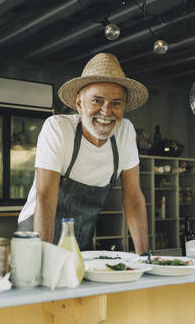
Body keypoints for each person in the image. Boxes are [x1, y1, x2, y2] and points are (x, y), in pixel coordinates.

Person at [17, 53, 149, 254]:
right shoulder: (58, 129)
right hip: (36, 237)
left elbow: (133, 198)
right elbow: (46, 198)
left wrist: (144, 256)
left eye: (116, 103)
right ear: (79, 104)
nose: (106, 111)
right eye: (97, 101)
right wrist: (44, 261)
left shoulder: (125, 133)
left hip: (81, 240)